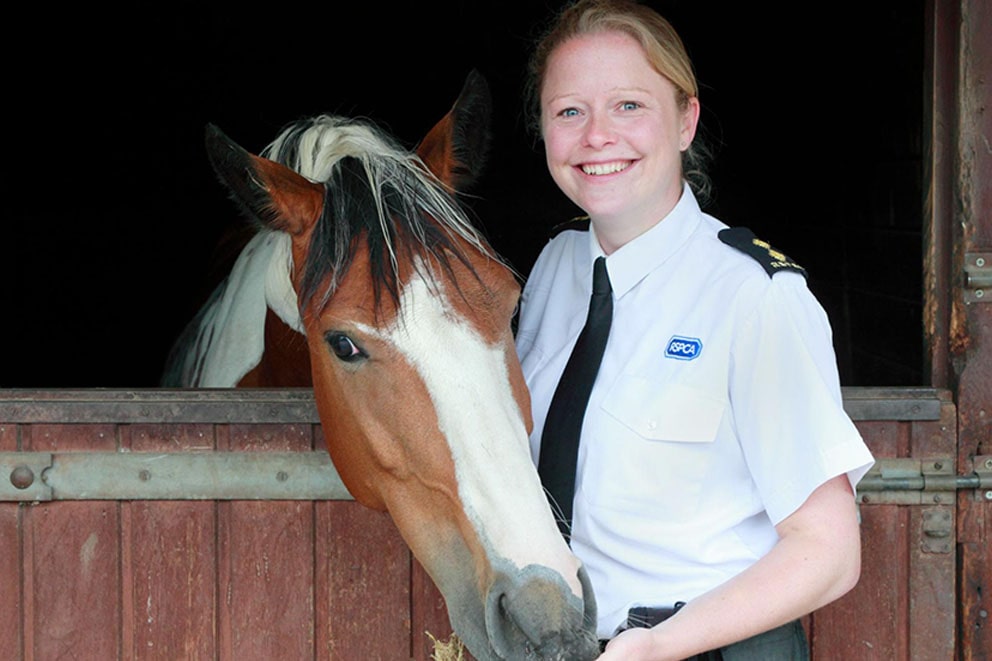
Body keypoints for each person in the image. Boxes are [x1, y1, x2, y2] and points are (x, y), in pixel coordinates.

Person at [513, 1, 876, 659]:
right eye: (569, 111)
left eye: (628, 105)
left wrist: (657, 646)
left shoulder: (754, 297)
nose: (597, 136)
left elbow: (829, 549)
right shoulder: (552, 269)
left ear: (686, 120)